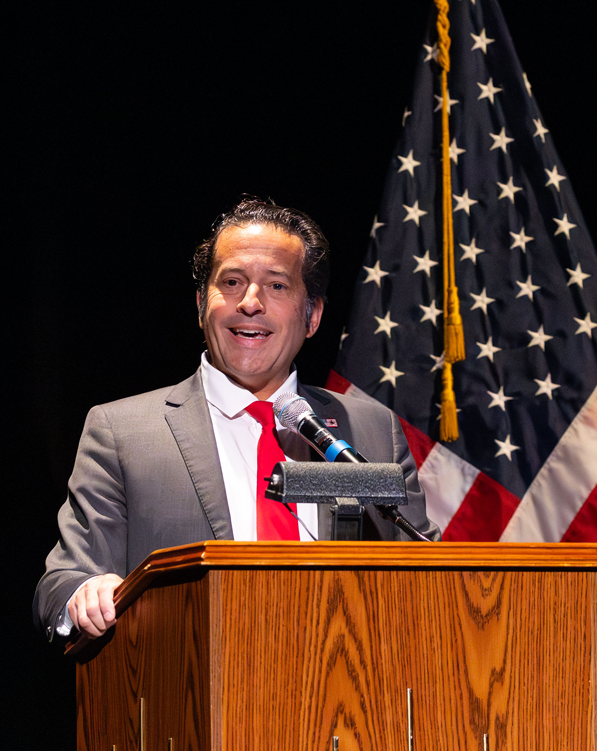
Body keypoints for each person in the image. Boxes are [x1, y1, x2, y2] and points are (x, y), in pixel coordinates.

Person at [33, 196, 430, 640]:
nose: (251, 303)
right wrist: (85, 592)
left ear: (312, 316)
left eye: (276, 285)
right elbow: (61, 584)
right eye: (233, 282)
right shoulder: (123, 433)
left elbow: (428, 576)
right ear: (201, 303)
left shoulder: (373, 431)